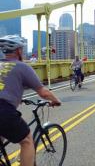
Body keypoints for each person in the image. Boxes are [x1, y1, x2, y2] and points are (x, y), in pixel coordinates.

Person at [0, 35, 61, 166]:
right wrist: (56, 100)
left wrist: (16, 97)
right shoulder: (23, 67)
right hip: (3, 110)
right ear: (19, 51)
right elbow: (43, 92)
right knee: (27, 140)